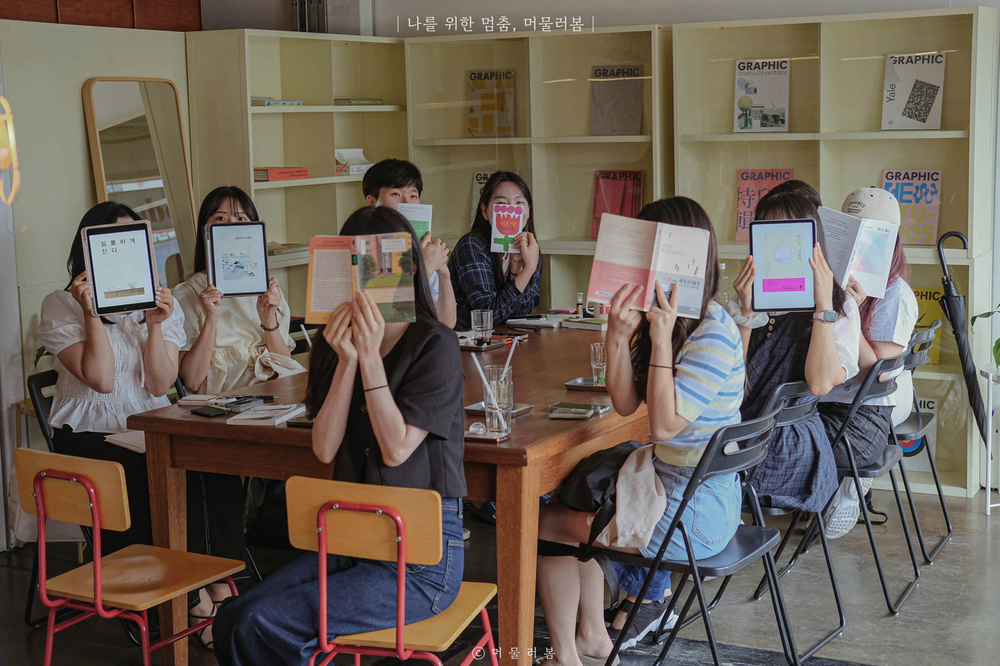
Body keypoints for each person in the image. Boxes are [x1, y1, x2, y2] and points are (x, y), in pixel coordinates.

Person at [212, 206, 466, 666]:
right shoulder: (336, 345)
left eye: (379, 263)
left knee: (264, 622)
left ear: (409, 267)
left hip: (421, 558)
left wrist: (369, 359)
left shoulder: (435, 343)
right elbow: (324, 445)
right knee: (232, 616)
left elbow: (396, 449)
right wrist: (348, 359)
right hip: (355, 537)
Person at [536, 197, 745, 666]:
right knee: (575, 498)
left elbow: (663, 425)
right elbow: (626, 403)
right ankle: (592, 638)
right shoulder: (683, 322)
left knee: (549, 523)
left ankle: (566, 655)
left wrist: (660, 340)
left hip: (694, 511)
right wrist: (616, 334)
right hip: (681, 492)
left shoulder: (711, 332)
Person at [37, 201, 246, 645]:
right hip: (90, 431)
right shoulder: (60, 304)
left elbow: (158, 384)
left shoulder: (159, 301)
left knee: (215, 467)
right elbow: (101, 379)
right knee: (150, 476)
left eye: (138, 241)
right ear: (91, 251)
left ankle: (217, 580)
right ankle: (186, 594)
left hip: (149, 423)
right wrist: (92, 313)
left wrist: (154, 325)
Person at [732, 191, 860, 515]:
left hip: (787, 453)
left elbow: (820, 383)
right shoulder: (747, 298)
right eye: (767, 233)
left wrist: (822, 306)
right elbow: (730, 387)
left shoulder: (840, 305)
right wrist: (745, 314)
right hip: (737, 437)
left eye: (791, 234)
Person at [819, 187, 917, 536]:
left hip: (862, 415)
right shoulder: (835, 281)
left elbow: (874, 375)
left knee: (770, 439)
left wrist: (849, 311)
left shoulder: (894, 294)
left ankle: (840, 487)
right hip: (830, 402)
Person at [174, 186, 301, 395]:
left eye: (241, 219)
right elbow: (193, 382)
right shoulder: (187, 294)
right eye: (221, 219)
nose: (232, 227)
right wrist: (211, 319)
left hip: (273, 398)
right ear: (205, 230)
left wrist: (269, 322)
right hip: (222, 404)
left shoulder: (268, 291)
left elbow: (286, 367)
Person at [362, 158, 458, 328]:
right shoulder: (363, 250)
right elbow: (392, 323)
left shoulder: (420, 249)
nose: (407, 203)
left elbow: (446, 324)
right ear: (371, 202)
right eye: (396, 194)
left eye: (413, 195)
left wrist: (443, 273)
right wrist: (425, 267)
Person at [448, 171, 542, 330]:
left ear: (528, 210)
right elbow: (488, 316)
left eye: (519, 203)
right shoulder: (472, 245)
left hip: (506, 338)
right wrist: (528, 270)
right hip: (468, 340)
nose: (511, 210)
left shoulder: (529, 247)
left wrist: (516, 268)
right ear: (485, 211)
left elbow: (523, 312)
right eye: (501, 203)